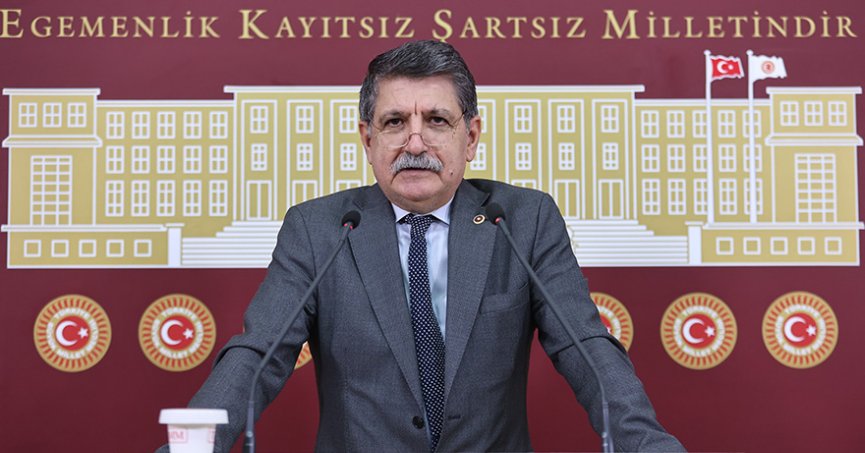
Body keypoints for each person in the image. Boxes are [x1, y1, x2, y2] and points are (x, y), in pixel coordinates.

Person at [159, 40, 684, 452]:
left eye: (436, 121)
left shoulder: (523, 220)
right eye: (394, 122)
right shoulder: (319, 228)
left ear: (470, 137)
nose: (415, 143)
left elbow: (586, 349)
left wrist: (650, 445)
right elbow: (259, 356)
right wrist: (191, 447)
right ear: (368, 139)